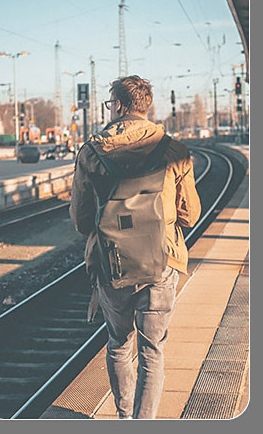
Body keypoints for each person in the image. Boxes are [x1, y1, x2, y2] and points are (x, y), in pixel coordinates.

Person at [70, 75, 201, 419]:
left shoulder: (92, 151)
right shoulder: (174, 150)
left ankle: (125, 418)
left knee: (118, 346)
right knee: (153, 352)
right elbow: (190, 215)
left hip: (112, 266)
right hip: (161, 262)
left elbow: (82, 221)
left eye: (110, 104)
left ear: (118, 106)